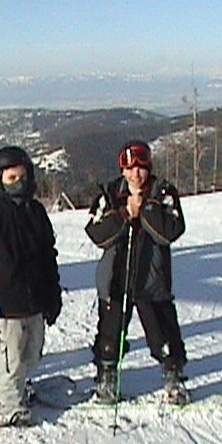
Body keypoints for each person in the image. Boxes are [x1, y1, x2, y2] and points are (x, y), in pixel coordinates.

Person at [85, 139, 189, 405]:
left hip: (151, 278)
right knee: (111, 332)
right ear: (122, 170)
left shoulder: (162, 192)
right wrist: (122, 215)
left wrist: (145, 210)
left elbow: (172, 230)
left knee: (163, 330)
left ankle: (173, 374)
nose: (135, 173)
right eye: (129, 168)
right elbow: (96, 232)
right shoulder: (108, 193)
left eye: (140, 167)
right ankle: (107, 375)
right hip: (116, 277)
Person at [0, 146, 62, 426]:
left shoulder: (36, 212)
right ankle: (9, 403)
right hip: (5, 304)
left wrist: (52, 295)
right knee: (12, 357)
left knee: (32, 354)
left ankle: (18, 384)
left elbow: (48, 257)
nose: (18, 182)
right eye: (11, 178)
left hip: (35, 300)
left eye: (22, 176)